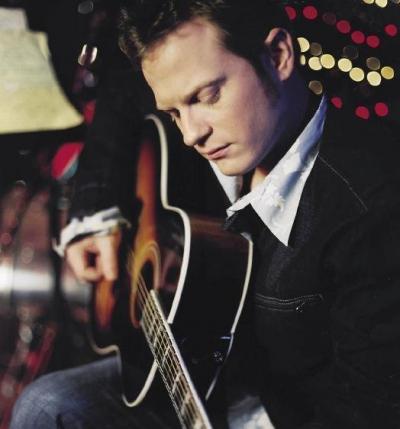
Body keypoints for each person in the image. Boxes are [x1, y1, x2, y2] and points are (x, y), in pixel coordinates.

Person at [11, 1, 400, 428]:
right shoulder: (218, 123)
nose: (192, 134)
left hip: (278, 409)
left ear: (278, 56)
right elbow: (123, 92)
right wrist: (95, 208)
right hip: (205, 367)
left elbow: (368, 411)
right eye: (174, 112)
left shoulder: (371, 213)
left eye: (206, 96)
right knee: (46, 406)